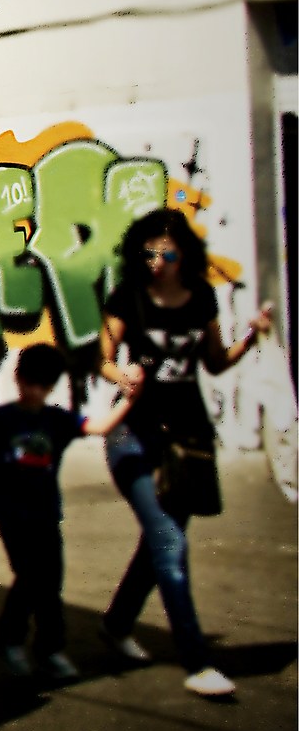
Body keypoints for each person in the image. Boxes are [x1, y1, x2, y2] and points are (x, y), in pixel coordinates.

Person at [95, 207, 274, 700]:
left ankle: (116, 623)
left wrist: (252, 335)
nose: (157, 261)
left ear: (184, 255)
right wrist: (121, 375)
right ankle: (197, 661)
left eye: (167, 253)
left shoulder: (201, 300)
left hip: (187, 442)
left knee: (160, 542)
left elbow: (214, 363)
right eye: (149, 252)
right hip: (133, 436)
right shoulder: (127, 298)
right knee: (169, 542)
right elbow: (104, 358)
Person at [0, 343, 137, 679]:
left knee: (50, 580)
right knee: (31, 576)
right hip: (10, 511)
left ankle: (50, 648)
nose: (33, 391)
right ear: (18, 379)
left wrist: (131, 399)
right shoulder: (3, 417)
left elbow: (100, 428)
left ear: (50, 386)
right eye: (29, 383)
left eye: (41, 386)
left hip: (45, 512)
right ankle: (10, 641)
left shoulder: (56, 419)